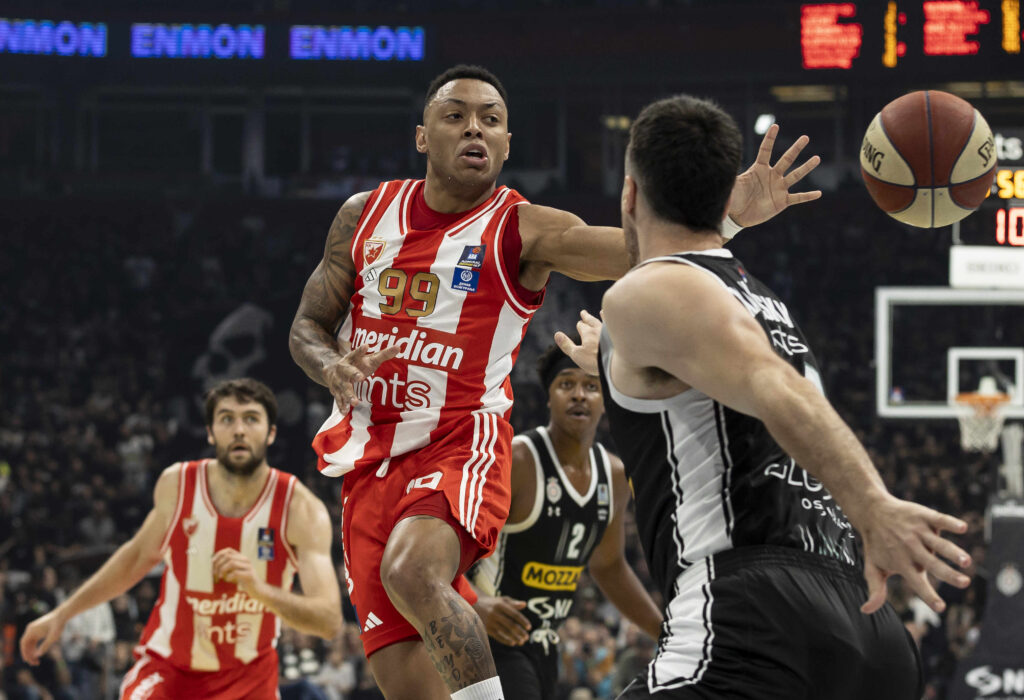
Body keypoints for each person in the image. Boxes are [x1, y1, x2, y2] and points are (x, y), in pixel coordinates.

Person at [288, 63, 820, 700]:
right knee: (412, 687)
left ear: (508, 143)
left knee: (412, 569)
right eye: (455, 115)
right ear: (423, 135)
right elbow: (307, 326)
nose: (474, 128)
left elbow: (634, 250)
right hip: (370, 460)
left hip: (461, 442)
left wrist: (723, 217)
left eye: (491, 119)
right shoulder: (364, 215)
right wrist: (330, 366)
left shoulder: (523, 228)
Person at [554, 95, 973, 698]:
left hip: (752, 610)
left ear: (630, 196)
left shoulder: (646, 290)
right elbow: (727, 387)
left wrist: (874, 505)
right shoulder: (759, 297)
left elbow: (769, 384)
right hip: (868, 626)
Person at [20, 378, 343, 700]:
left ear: (270, 432)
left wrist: (259, 590)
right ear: (210, 431)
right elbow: (134, 559)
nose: (239, 430)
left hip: (249, 679)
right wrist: (61, 614)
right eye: (227, 418)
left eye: (251, 418)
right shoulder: (178, 484)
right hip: (169, 670)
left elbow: (328, 621)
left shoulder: (300, 508)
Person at [468, 342, 661, 700]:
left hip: (545, 643)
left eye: (592, 386)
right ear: (548, 397)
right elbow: (454, 548)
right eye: (566, 384)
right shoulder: (519, 460)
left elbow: (609, 567)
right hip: (491, 638)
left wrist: (665, 633)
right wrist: (475, 602)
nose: (579, 395)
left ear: (606, 399)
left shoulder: (615, 475)